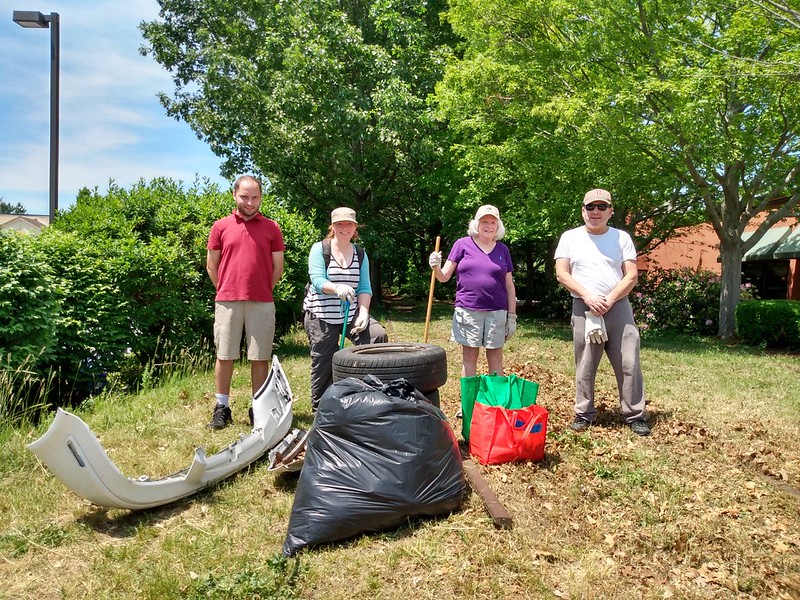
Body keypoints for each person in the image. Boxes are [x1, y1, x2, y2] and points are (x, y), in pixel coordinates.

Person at [554, 188, 650, 436]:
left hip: (618, 307)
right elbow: (562, 273)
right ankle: (584, 413)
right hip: (583, 308)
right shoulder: (570, 238)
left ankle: (635, 414)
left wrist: (609, 299)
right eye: (590, 207)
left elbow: (631, 275)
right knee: (585, 363)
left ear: (610, 211)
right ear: (582, 210)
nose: (595, 212)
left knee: (629, 361)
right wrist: (587, 296)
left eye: (601, 207)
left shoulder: (621, 238)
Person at [206, 175, 285, 429]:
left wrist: (261, 289)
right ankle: (222, 407)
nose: (250, 202)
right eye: (244, 196)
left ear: (260, 198)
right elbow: (211, 265)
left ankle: (258, 408)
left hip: (262, 301)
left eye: (255, 197)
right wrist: (228, 289)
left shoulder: (272, 227)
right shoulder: (220, 227)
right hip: (227, 301)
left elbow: (278, 268)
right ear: (234, 195)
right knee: (224, 355)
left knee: (259, 357)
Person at [303, 207, 388, 410]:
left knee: (377, 336)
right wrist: (336, 288)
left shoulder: (360, 253)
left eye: (348, 224)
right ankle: (321, 409)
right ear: (332, 226)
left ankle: (368, 396)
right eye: (339, 224)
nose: (344, 228)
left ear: (355, 227)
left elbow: (365, 287)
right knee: (324, 361)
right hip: (321, 315)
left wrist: (364, 312)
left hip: (351, 315)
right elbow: (316, 280)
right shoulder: (320, 249)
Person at [428, 205, 517, 378]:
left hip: (497, 311)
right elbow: (444, 276)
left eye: (493, 222)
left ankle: (494, 404)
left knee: (496, 358)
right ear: (476, 223)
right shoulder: (462, 244)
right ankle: (468, 405)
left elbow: (509, 286)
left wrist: (512, 317)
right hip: (468, 309)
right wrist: (435, 266)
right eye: (484, 221)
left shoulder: (503, 250)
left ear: (498, 226)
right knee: (469, 357)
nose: (488, 225)